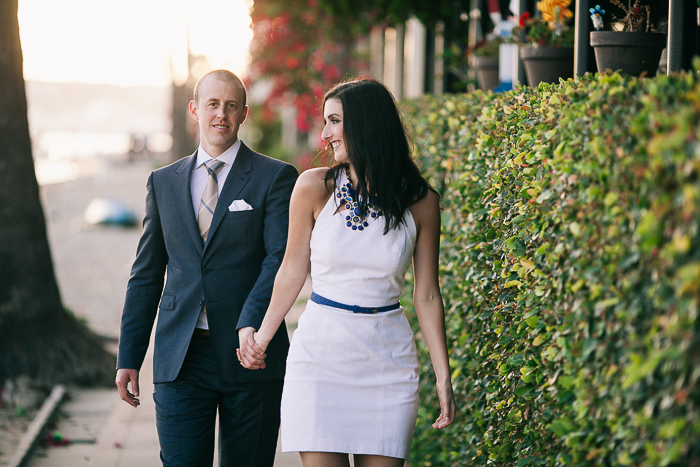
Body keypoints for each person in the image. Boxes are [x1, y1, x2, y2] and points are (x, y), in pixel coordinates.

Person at [238, 77, 456, 467]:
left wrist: (443, 376)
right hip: (319, 360)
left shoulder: (422, 202)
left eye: (334, 121)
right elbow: (292, 269)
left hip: (388, 364)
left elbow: (426, 294)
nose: (324, 134)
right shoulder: (312, 187)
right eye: (325, 122)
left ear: (366, 124)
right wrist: (263, 336)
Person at [115, 69, 298, 467]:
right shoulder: (162, 181)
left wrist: (251, 325)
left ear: (244, 114)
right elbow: (147, 273)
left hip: (250, 353)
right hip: (181, 357)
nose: (221, 114)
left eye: (231, 106)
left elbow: (279, 259)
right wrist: (129, 355)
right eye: (213, 104)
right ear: (195, 110)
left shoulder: (275, 177)